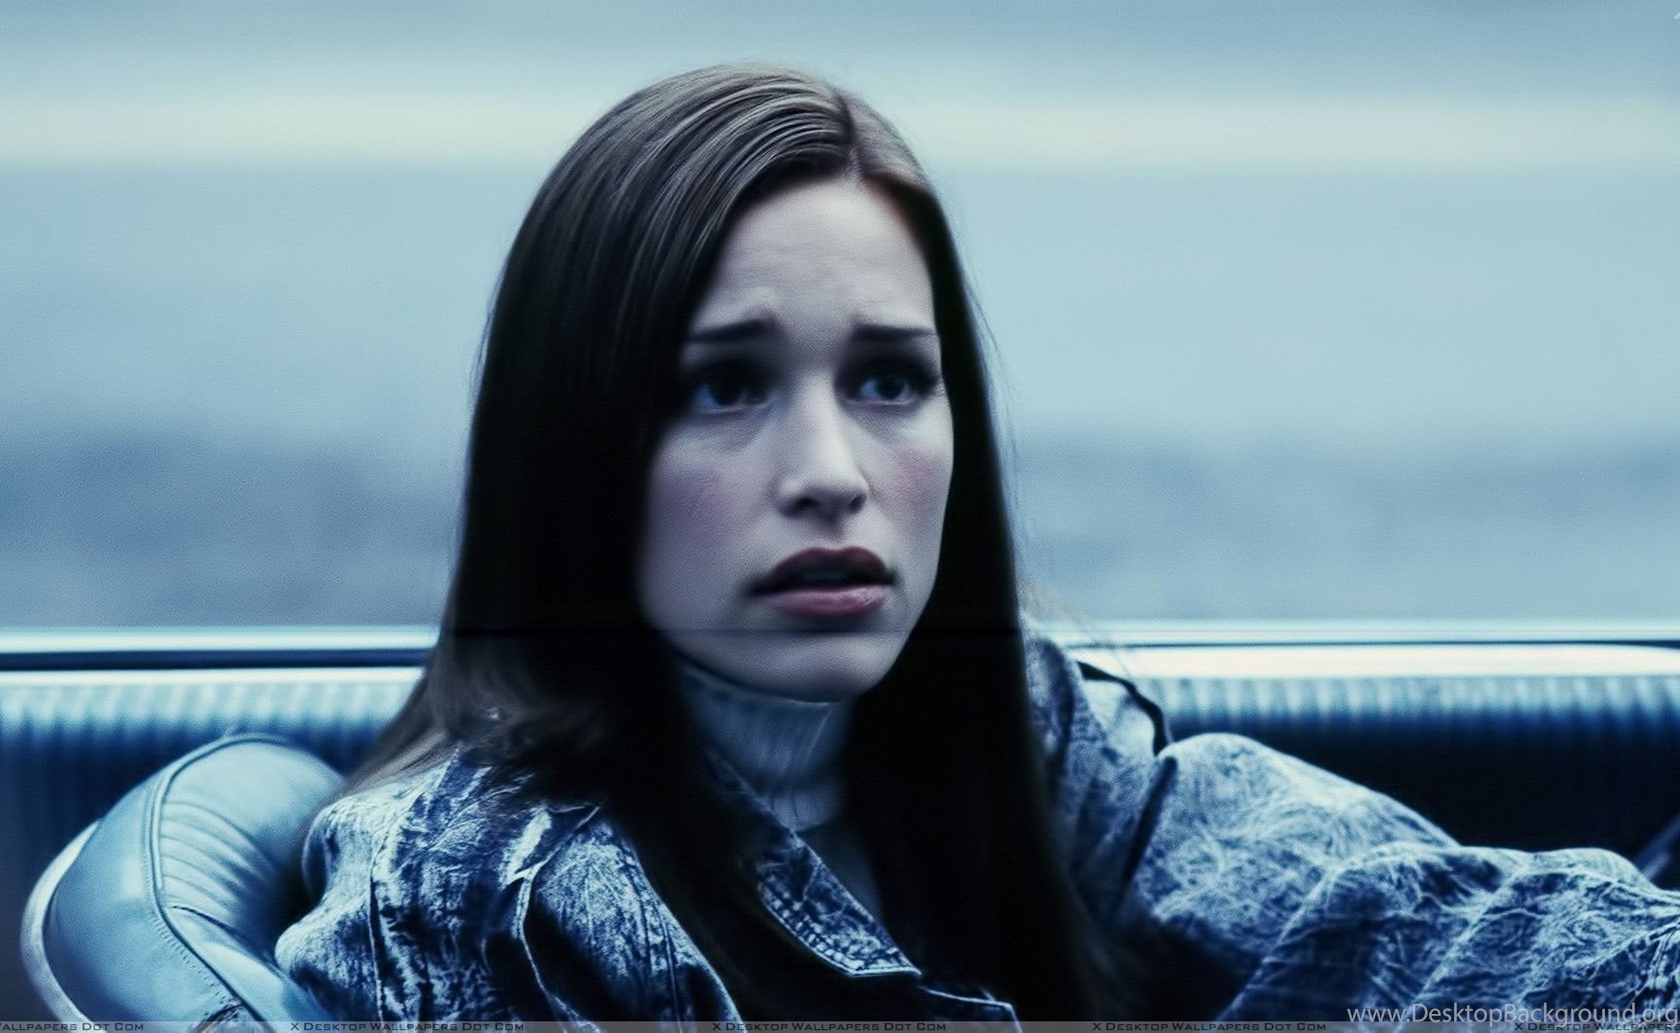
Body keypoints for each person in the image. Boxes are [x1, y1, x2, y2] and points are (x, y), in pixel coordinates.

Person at [274, 64, 1680, 1022]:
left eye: (890, 379)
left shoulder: (1021, 735)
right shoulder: (468, 905)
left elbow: (1411, 925)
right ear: (573, 444)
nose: (832, 475)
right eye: (726, 386)